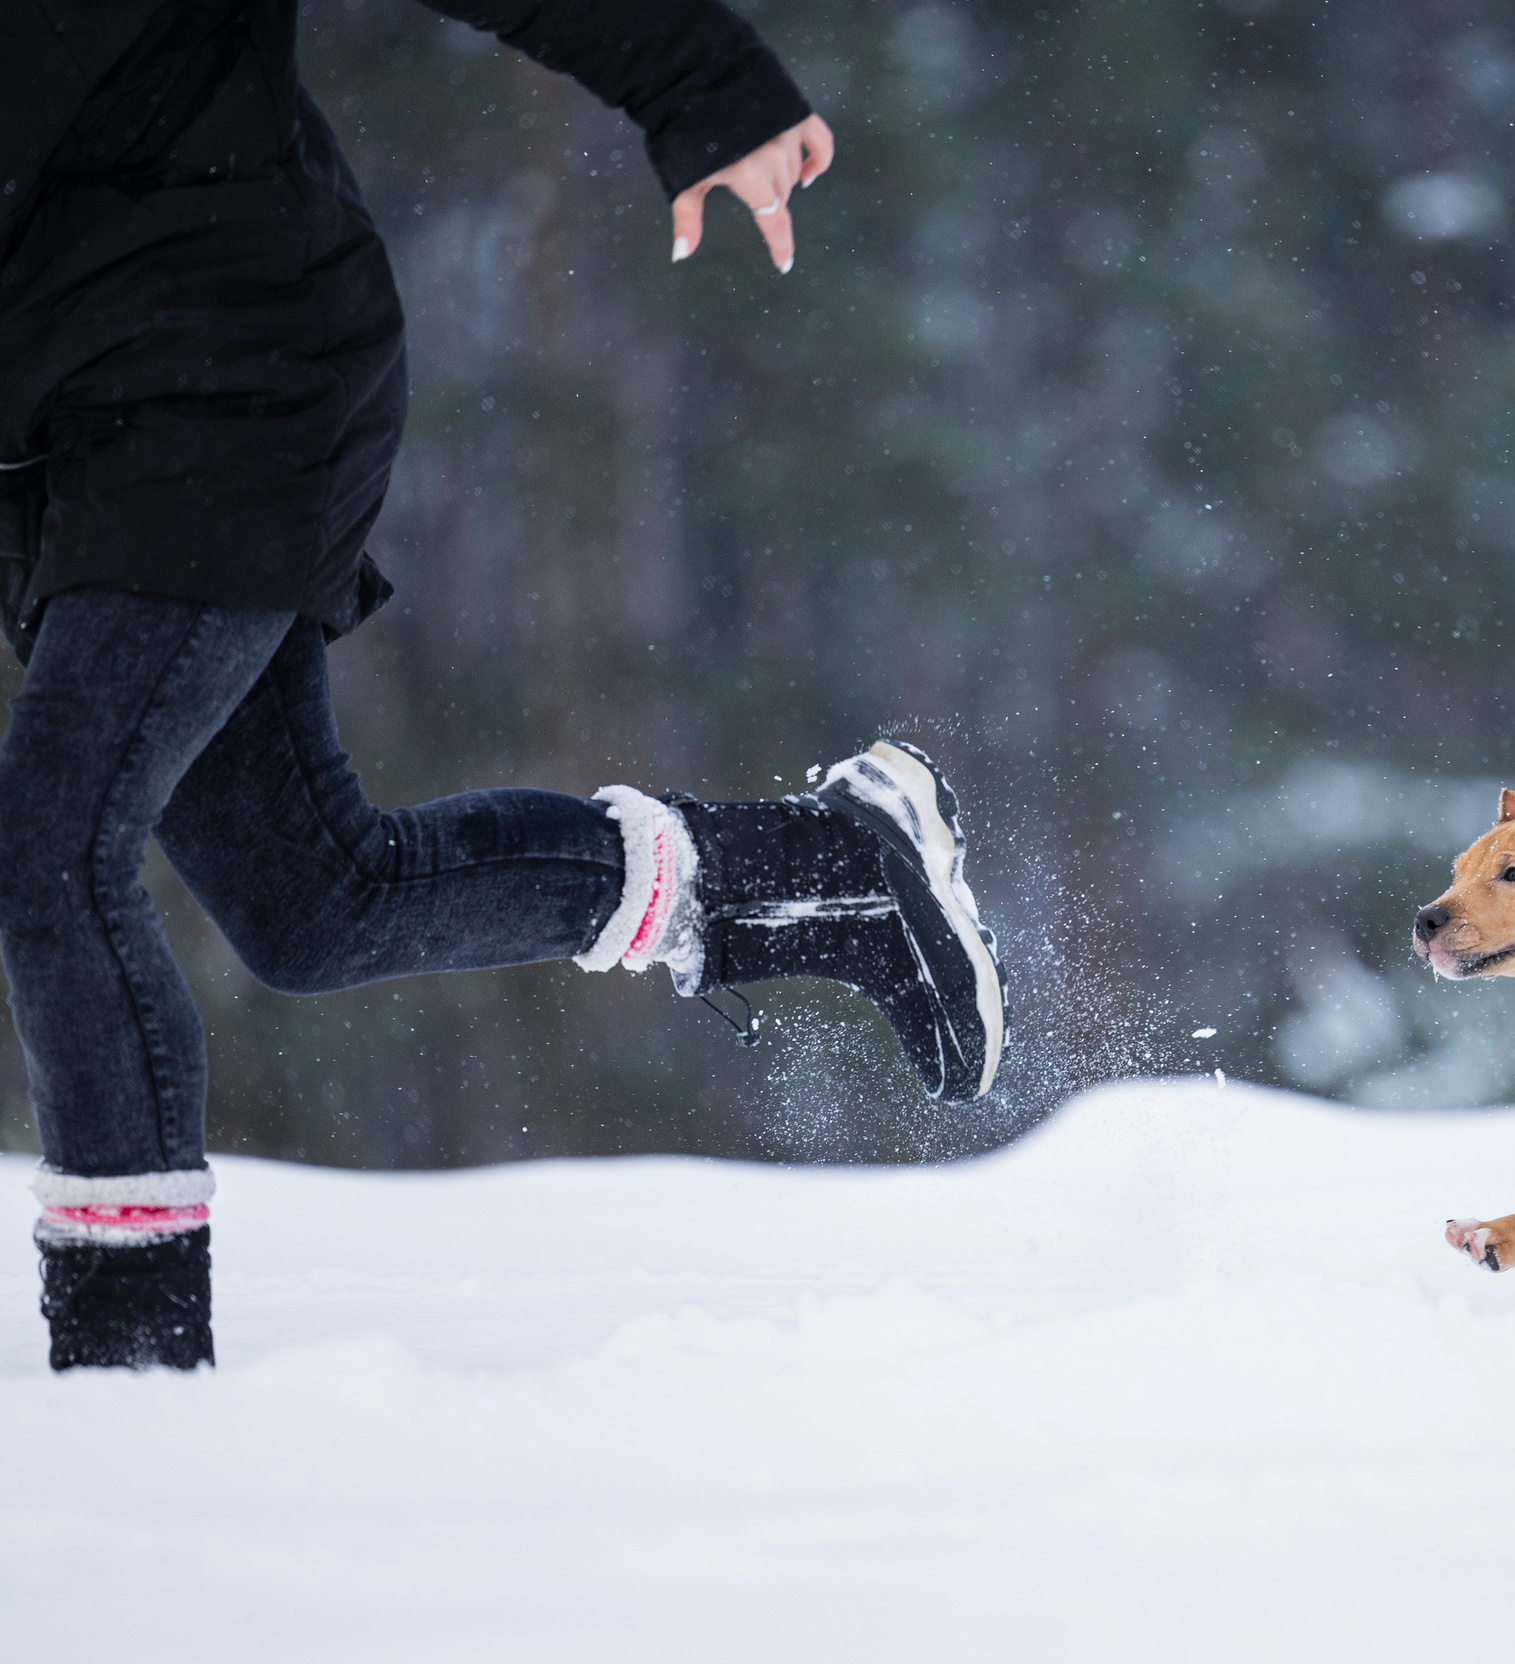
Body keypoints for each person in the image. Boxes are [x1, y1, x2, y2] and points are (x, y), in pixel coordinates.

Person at [0, 0, 1008, 1373]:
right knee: (312, 903)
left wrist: (700, 80)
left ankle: (127, 1367)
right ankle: (822, 867)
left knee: (54, 852)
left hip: (220, 371)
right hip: (76, 444)